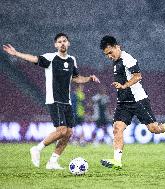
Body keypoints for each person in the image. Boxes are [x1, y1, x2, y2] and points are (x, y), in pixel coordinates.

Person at [2, 33, 100, 169]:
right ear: (56, 45)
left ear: (68, 43)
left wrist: (89, 78)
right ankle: (37, 149)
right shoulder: (51, 58)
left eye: (64, 41)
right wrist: (16, 53)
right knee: (61, 131)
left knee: (69, 133)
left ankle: (52, 161)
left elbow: (76, 78)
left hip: (67, 102)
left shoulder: (72, 60)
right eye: (59, 42)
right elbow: (34, 59)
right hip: (54, 100)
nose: (62, 43)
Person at [99, 35, 165, 169]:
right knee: (117, 128)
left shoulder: (128, 59)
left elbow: (138, 76)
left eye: (110, 52)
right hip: (123, 103)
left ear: (116, 46)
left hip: (138, 100)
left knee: (153, 129)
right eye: (106, 54)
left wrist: (124, 85)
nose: (109, 56)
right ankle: (117, 161)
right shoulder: (116, 61)